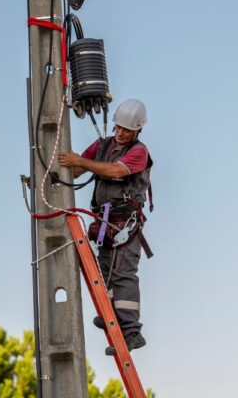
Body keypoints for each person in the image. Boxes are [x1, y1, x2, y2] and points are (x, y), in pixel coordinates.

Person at [59, 99, 153, 352]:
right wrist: (65, 166)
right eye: (118, 128)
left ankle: (132, 332)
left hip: (124, 224)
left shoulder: (139, 152)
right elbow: (77, 168)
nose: (121, 133)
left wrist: (81, 162)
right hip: (104, 221)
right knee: (104, 270)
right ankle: (111, 314)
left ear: (138, 130)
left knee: (122, 273)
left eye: (127, 130)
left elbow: (114, 171)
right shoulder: (103, 146)